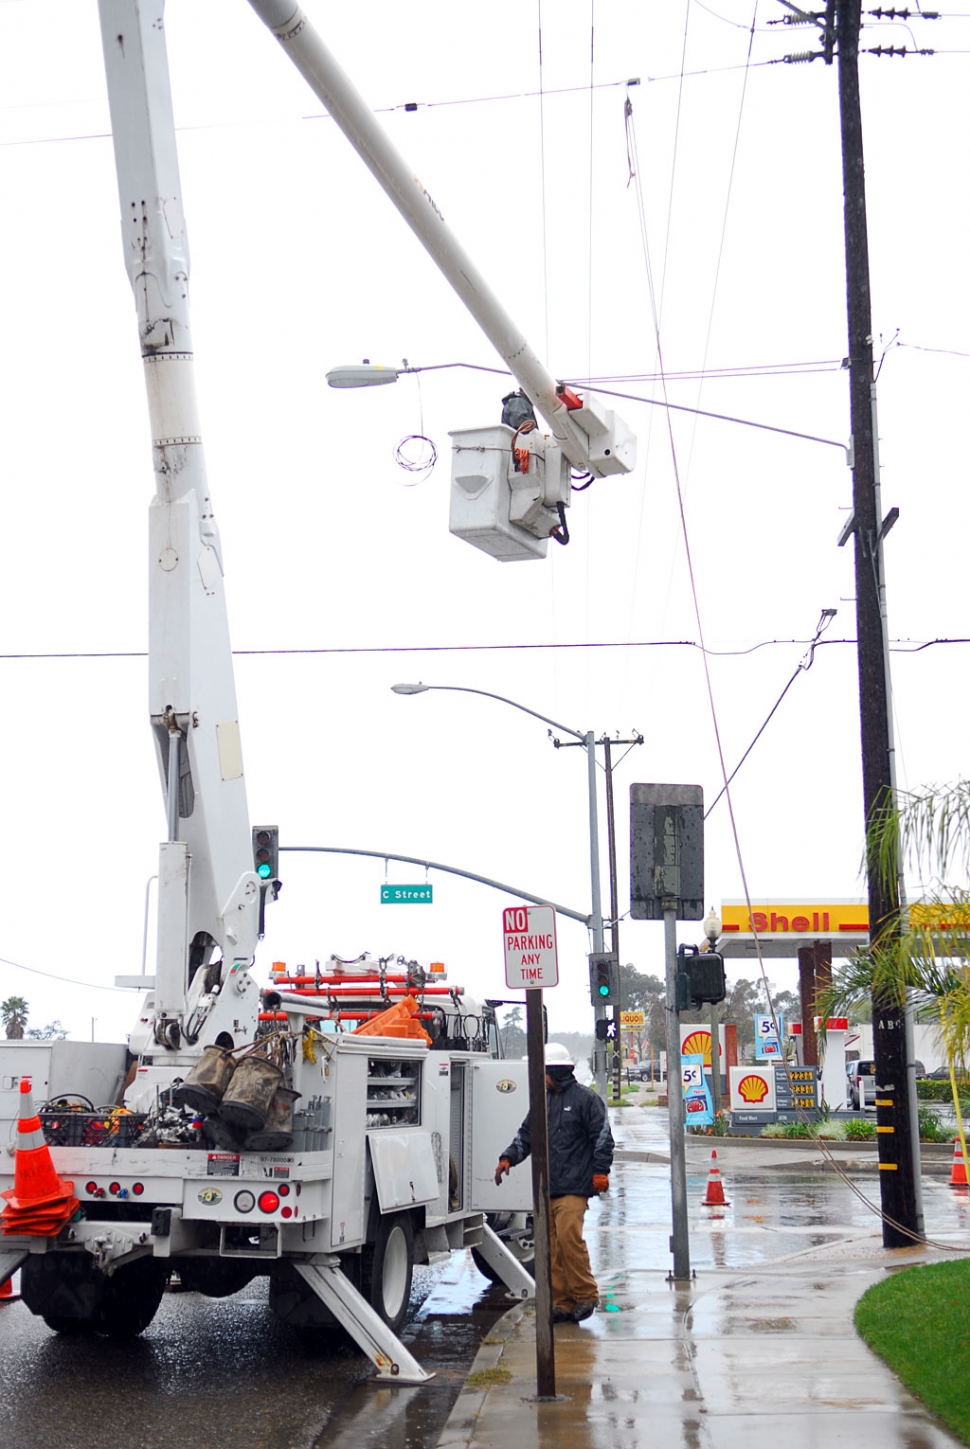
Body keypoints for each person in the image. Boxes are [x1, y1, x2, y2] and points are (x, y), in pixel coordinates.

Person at [494, 1041, 614, 1324]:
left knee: (569, 1238)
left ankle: (586, 1295)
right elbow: (526, 1136)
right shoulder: (543, 1102)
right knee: (550, 1247)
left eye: (543, 1073)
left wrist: (600, 1171)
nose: (540, 1078)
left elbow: (603, 1137)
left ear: (555, 1072)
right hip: (548, 1187)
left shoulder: (586, 1099)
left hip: (574, 1187)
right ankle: (562, 1302)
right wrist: (508, 1158)